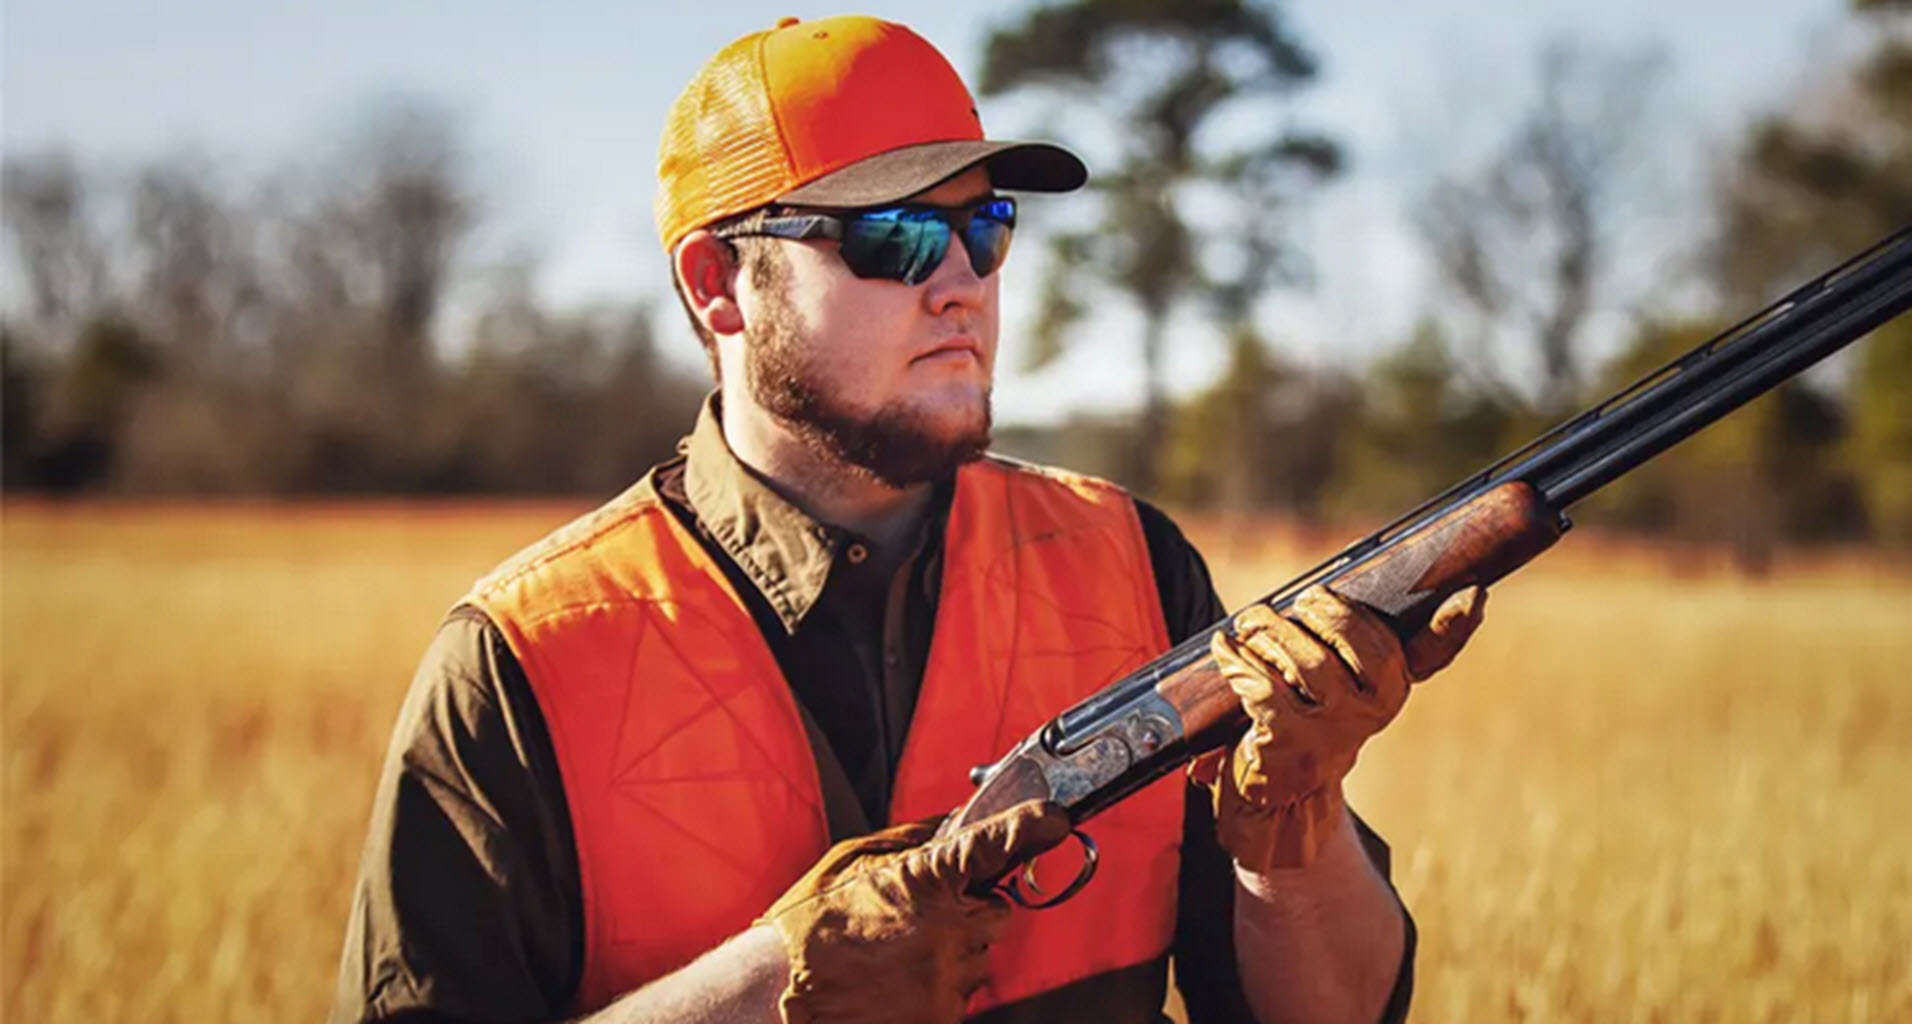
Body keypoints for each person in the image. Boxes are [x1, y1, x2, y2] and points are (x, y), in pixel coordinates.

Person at [329, 15, 1485, 1024]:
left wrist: (1294, 836)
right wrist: (771, 992)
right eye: (892, 236)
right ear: (717, 284)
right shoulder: (522, 659)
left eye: (986, 228)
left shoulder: (1130, 561)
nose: (962, 282)